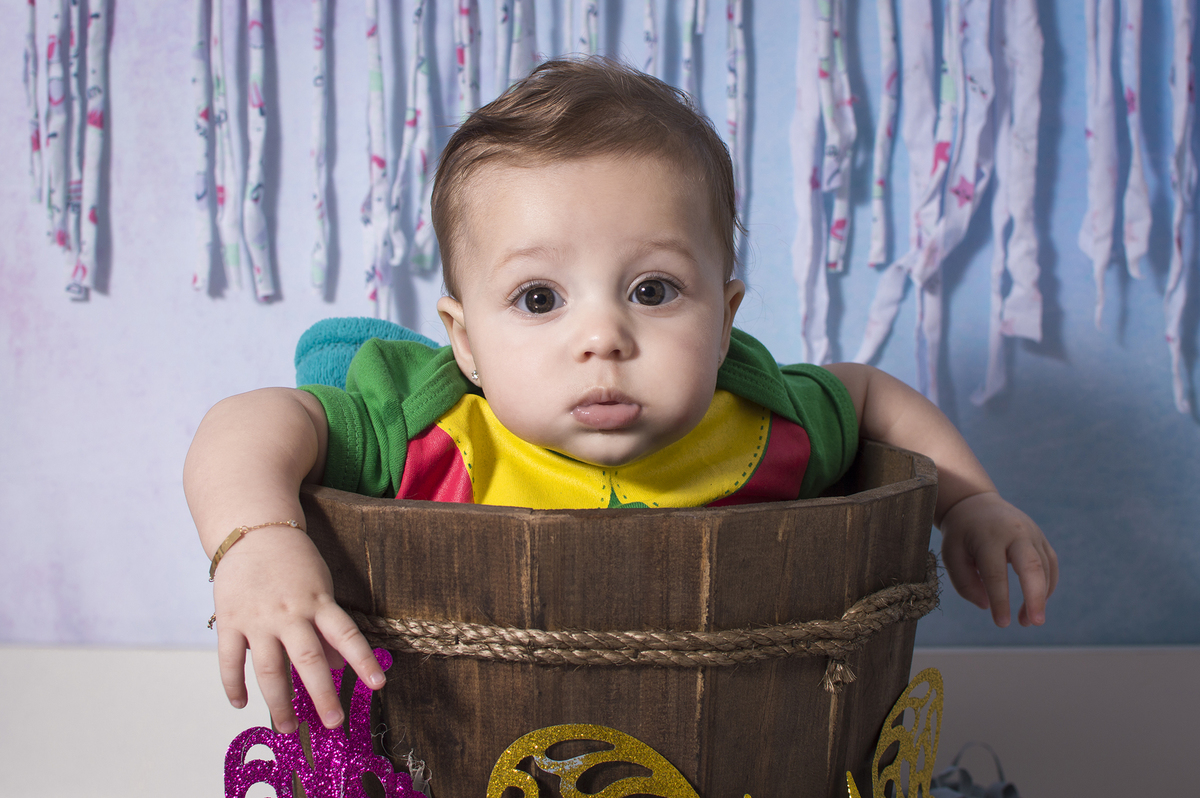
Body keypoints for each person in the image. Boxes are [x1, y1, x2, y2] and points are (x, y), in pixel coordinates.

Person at [184, 57, 1057, 737]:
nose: (602, 337)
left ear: (725, 321)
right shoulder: (429, 434)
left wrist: (969, 502)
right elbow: (252, 420)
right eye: (539, 299)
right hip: (464, 739)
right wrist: (255, 540)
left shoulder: (764, 429)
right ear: (465, 342)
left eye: (652, 290)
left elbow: (866, 394)